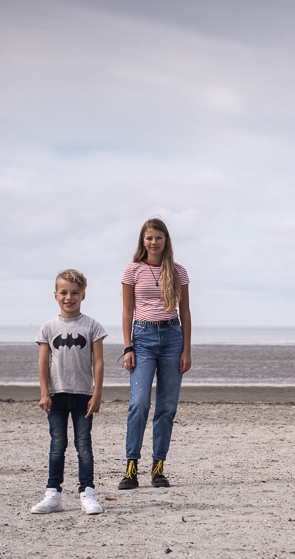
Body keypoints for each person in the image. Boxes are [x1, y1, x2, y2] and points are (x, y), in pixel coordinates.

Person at [118, 219, 191, 490]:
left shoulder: (178, 271)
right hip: (143, 339)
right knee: (139, 404)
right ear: (142, 241)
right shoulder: (133, 270)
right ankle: (131, 468)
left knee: (166, 408)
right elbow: (127, 311)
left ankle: (158, 468)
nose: (153, 242)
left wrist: (186, 349)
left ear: (166, 240)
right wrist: (128, 347)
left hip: (173, 338)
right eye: (149, 238)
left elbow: (185, 313)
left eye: (158, 238)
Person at [31, 269, 107, 515]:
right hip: (57, 395)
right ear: (55, 295)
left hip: (84, 395)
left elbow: (98, 362)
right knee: (57, 445)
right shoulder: (48, 328)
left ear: (83, 295)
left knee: (84, 445)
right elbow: (43, 363)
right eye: (64, 292)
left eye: (75, 293)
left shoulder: (92, 326)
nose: (69, 297)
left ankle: (88, 493)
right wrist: (45, 393)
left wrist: (97, 394)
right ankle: (53, 495)